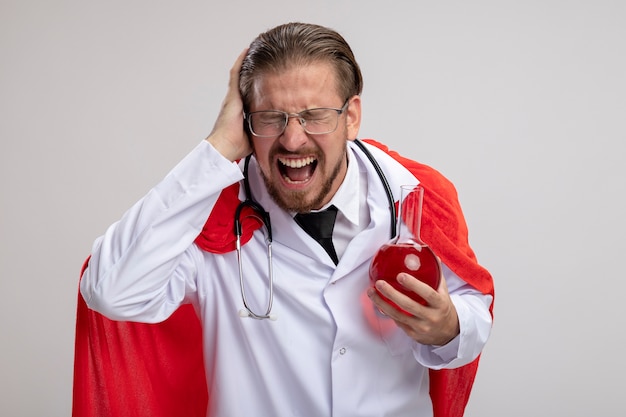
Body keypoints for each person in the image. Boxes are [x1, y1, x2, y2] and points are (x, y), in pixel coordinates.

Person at [76, 22, 494, 417]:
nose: (293, 140)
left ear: (351, 117)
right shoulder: (214, 223)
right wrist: (218, 147)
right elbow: (110, 290)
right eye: (271, 117)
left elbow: (474, 309)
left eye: (315, 115)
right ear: (244, 121)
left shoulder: (417, 197)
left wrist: (449, 327)